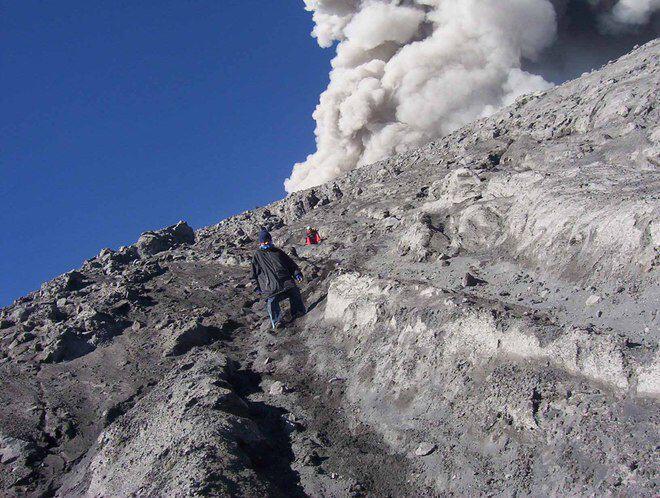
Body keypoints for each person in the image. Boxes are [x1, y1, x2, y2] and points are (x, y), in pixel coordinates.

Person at [251, 228, 306, 330]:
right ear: (260, 242)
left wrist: (297, 273)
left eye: (268, 240)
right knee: (272, 301)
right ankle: (277, 322)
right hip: (270, 286)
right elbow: (253, 274)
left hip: (285, 281)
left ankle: (298, 312)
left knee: (294, 292)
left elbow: (290, 264)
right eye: (264, 241)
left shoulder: (278, 252)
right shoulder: (257, 255)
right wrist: (257, 287)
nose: (267, 242)